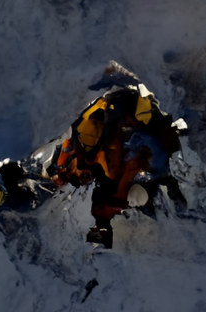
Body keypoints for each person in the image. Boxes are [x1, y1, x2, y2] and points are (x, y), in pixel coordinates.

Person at [49, 66, 185, 249]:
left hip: (113, 109)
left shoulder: (141, 167)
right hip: (116, 107)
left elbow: (77, 143)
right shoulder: (149, 162)